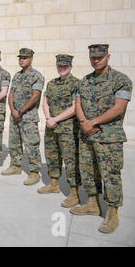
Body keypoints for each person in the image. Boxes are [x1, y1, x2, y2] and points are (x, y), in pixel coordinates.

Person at [71, 44, 132, 234]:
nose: (96, 60)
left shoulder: (121, 80)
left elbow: (119, 108)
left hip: (108, 138)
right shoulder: (84, 81)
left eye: (100, 57)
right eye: (93, 57)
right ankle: (92, 203)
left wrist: (93, 122)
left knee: (111, 174)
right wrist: (83, 122)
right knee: (88, 170)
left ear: (108, 57)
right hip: (87, 136)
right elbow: (77, 103)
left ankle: (113, 212)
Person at [38, 54, 81, 208]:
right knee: (52, 156)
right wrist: (49, 118)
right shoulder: (52, 84)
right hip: (51, 128)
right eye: (59, 66)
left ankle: (74, 193)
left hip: (68, 129)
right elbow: (45, 102)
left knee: (71, 161)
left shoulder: (76, 83)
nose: (62, 68)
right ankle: (54, 184)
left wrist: (56, 119)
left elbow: (75, 107)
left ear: (70, 66)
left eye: (65, 66)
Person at [2, 48, 44, 186]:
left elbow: (35, 96)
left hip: (28, 117)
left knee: (31, 145)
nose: (22, 60)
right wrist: (13, 110)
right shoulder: (17, 76)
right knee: (14, 143)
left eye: (25, 58)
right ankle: (15, 166)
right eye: (20, 57)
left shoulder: (37, 76)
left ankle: (34, 172)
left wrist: (20, 111)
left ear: (31, 59)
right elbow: (11, 94)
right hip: (15, 116)